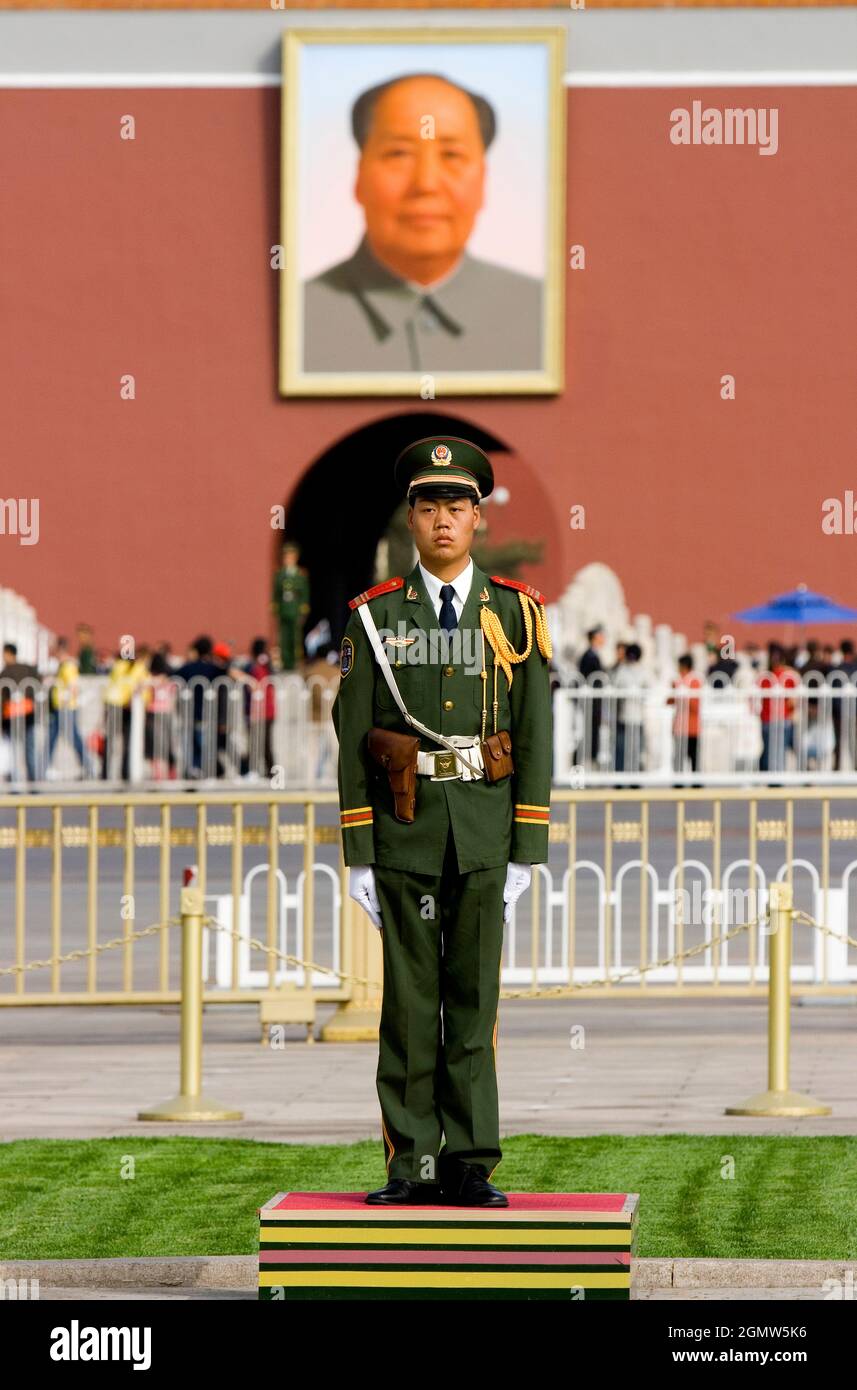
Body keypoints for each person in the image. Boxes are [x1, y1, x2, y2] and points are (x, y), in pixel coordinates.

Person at [331, 435, 553, 1208]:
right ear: (412, 519)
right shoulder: (376, 616)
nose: (443, 522)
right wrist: (358, 850)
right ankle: (410, 1166)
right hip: (405, 829)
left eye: (457, 507)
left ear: (478, 519)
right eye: (429, 508)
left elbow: (533, 734)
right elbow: (351, 735)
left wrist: (528, 846)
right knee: (407, 1005)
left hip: (486, 833)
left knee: (474, 1006)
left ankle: (469, 1165)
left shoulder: (515, 614)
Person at [302, 74, 543, 374]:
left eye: (452, 155)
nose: (426, 183)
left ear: (483, 180)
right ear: (359, 177)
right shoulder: (295, 321)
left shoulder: (545, 317)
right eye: (399, 154)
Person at [48, 636, 93, 778]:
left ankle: (88, 766)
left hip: (65, 708)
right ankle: (45, 766)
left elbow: (73, 686)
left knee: (73, 737)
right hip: (60, 707)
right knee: (53, 737)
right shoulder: (63, 666)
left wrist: (66, 700)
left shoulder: (68, 666)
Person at [1, 642, 41, 782]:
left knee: (13, 751)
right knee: (29, 749)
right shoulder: (28, 669)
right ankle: (33, 782)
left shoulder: (5, 673)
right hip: (28, 714)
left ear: (8, 653)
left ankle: (15, 783)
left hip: (11, 716)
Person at [271, 542, 310, 673]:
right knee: (284, 637)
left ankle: (294, 662)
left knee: (295, 638)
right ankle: (286, 662)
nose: (287, 559)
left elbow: (304, 594)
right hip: (284, 610)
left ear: (295, 557)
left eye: (290, 556)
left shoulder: (300, 575)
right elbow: (276, 593)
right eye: (286, 556)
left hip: (294, 610)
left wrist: (303, 611)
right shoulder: (280, 574)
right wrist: (275, 608)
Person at [667, 654, 702, 780]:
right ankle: (678, 782)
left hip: (692, 727)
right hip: (679, 727)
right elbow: (669, 701)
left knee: (694, 757)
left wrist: (684, 694)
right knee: (679, 757)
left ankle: (696, 782)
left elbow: (696, 705)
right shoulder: (677, 681)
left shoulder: (695, 681)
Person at [577, 625, 606, 766]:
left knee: (594, 731)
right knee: (589, 731)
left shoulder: (593, 654)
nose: (603, 639)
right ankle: (584, 760)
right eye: (601, 636)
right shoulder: (588, 656)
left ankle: (592, 758)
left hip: (595, 701)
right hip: (591, 701)